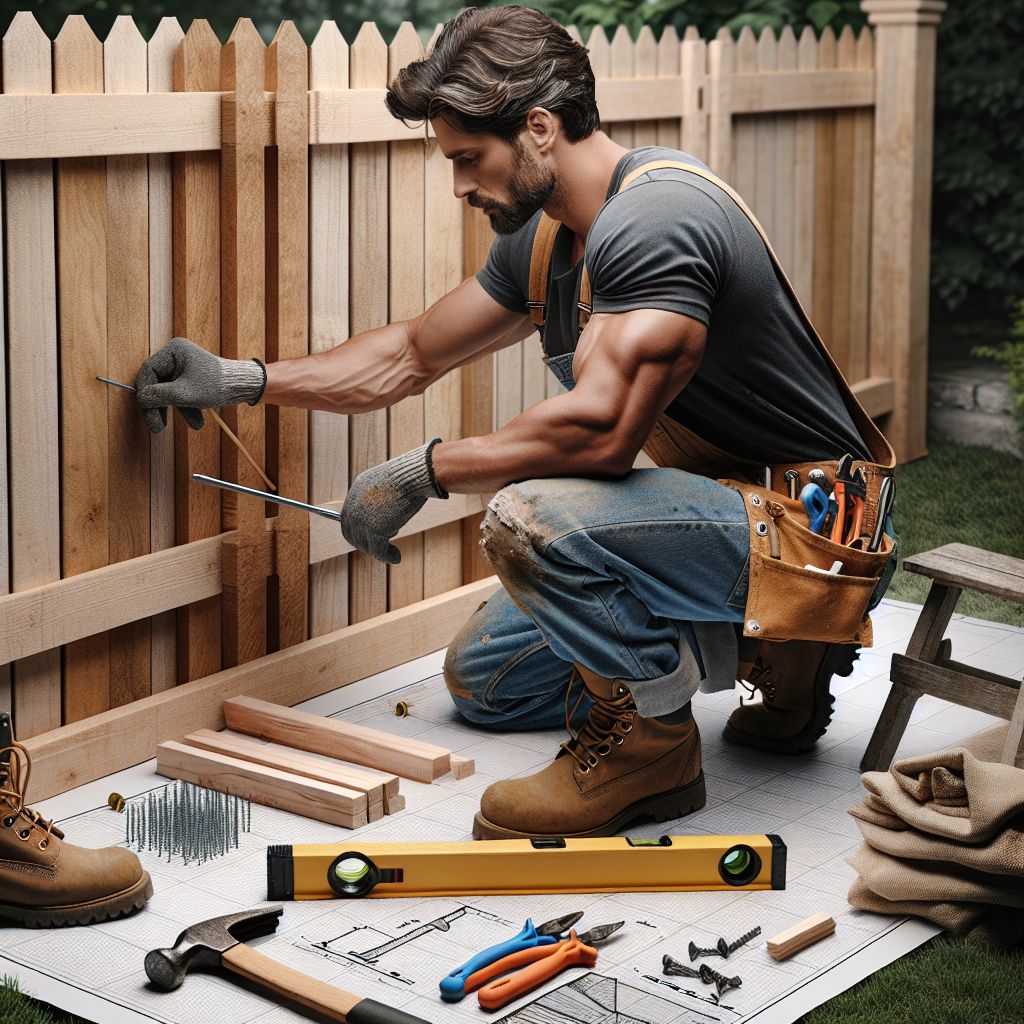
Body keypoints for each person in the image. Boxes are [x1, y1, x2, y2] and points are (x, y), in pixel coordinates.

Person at [135, 5, 895, 842]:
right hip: (706, 507)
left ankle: (660, 744)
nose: (459, 184)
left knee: (530, 516)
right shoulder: (546, 240)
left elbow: (600, 435)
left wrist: (419, 472)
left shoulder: (657, 220)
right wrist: (244, 380)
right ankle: (747, 653)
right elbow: (412, 354)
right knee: (485, 681)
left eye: (469, 158)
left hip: (811, 532)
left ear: (538, 127)